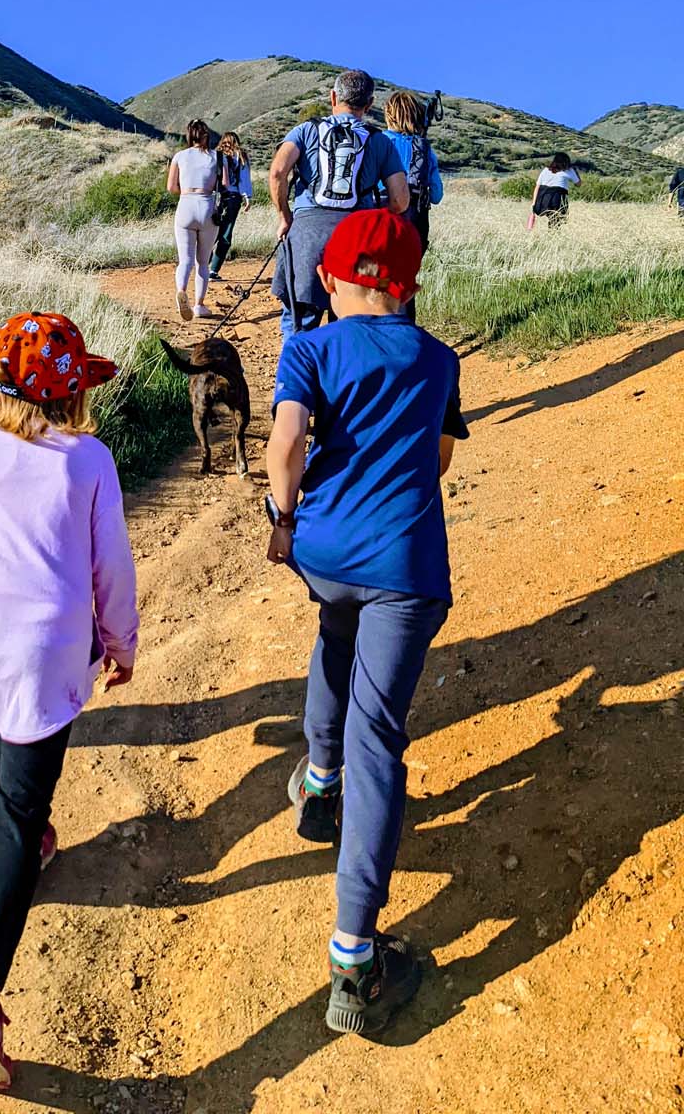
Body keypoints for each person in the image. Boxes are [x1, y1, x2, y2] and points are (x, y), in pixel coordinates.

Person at [0, 311, 138, 1091]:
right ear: (76, 393)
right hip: (51, 654)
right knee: (12, 817)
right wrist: (122, 643)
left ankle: (34, 830)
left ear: (1, 391)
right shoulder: (88, 461)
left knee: (12, 754)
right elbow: (111, 565)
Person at [264, 209, 468, 1037]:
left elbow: (286, 450)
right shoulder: (439, 357)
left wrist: (282, 519)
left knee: (331, 638)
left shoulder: (309, 348)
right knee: (377, 735)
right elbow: (444, 456)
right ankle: (355, 955)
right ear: (409, 284)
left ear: (328, 278)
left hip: (327, 553)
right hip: (404, 569)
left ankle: (317, 786)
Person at [268, 70, 409, 341]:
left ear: (333, 97)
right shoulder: (379, 140)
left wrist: (284, 217)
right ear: (369, 104)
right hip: (357, 241)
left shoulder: (306, 130)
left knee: (299, 326)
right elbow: (400, 200)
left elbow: (277, 172)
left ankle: (295, 380)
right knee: (350, 325)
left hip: (307, 238)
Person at [379, 90, 444, 323]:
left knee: (378, 282)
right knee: (405, 282)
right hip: (417, 225)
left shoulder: (380, 143)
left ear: (389, 115)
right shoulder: (426, 149)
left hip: (384, 222)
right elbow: (436, 195)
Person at [167, 119, 219, 321]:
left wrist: (186, 191)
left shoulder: (180, 156)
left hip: (186, 205)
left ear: (189, 135)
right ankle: (199, 305)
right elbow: (224, 184)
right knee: (203, 262)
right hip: (207, 205)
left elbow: (171, 187)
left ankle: (181, 290)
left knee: (185, 260)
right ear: (207, 135)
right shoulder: (216, 157)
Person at [208, 131, 253, 282]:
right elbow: (244, 179)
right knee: (226, 233)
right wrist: (246, 196)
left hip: (215, 197)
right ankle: (213, 270)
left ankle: (202, 261)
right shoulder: (240, 156)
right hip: (233, 198)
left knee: (212, 230)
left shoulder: (215, 155)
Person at [530, 152, 581, 231]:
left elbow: (537, 186)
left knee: (552, 220)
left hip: (543, 198)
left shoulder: (546, 170)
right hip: (557, 198)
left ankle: (551, 236)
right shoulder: (569, 171)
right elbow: (578, 184)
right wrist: (575, 172)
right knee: (555, 222)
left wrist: (534, 203)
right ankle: (553, 237)